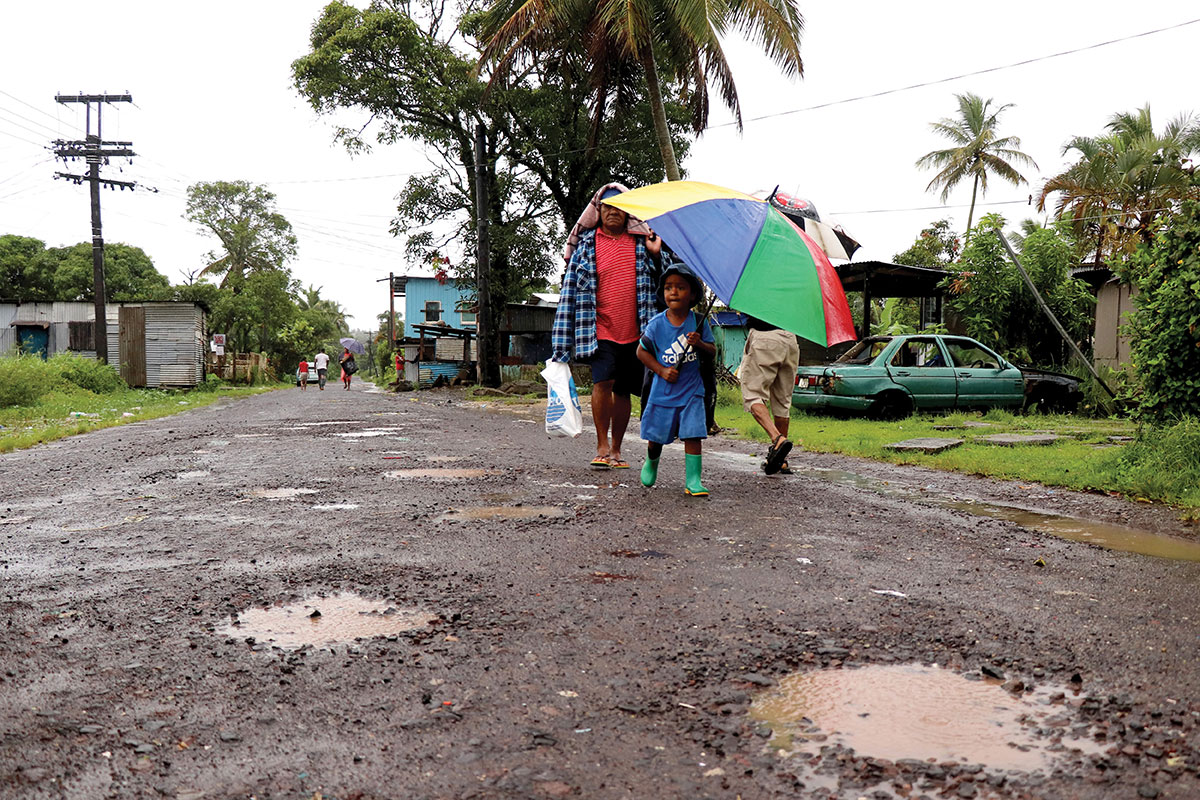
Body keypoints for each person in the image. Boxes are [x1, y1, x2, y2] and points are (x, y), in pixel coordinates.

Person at [552, 182, 661, 470]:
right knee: (602, 382)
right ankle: (601, 445)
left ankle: (617, 449)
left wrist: (656, 253)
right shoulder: (586, 246)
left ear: (628, 214)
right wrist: (560, 345)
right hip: (598, 329)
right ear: (598, 212)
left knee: (623, 389)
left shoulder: (642, 244)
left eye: (620, 208)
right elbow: (570, 293)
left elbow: (668, 283)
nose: (613, 212)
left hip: (636, 330)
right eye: (607, 207)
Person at [637, 264, 715, 496]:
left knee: (693, 433)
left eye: (680, 287)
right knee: (656, 437)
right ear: (662, 293)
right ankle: (652, 461)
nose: (674, 292)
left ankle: (693, 480)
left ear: (692, 294)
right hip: (663, 393)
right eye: (669, 287)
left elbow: (712, 351)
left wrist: (700, 343)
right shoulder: (656, 324)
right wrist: (661, 370)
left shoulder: (699, 322)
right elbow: (641, 352)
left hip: (692, 391)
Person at [739, 316, 797, 474]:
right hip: (790, 338)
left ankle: (777, 439)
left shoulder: (755, 291)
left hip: (764, 336)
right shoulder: (794, 291)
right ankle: (781, 460)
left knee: (753, 395)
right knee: (783, 403)